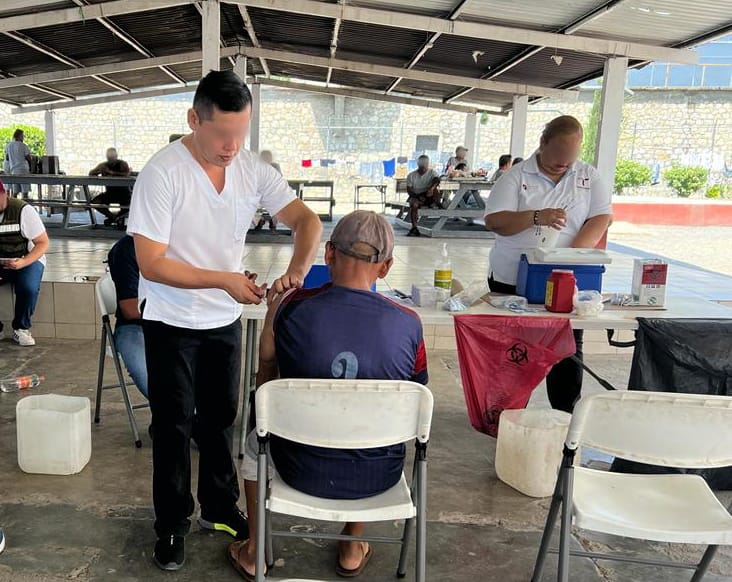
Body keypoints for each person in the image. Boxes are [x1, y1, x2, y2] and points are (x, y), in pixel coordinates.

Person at [127, 70, 322, 572]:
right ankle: (172, 522)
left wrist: (297, 270)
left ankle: (218, 506)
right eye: (221, 135)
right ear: (194, 119)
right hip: (170, 318)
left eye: (241, 133)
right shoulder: (163, 173)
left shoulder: (251, 169)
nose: (232, 147)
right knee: (173, 424)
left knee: (220, 419)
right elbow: (151, 263)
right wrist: (224, 280)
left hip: (222, 319)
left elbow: (307, 221)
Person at [228, 210, 429, 580]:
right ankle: (352, 545)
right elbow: (418, 402)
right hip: (377, 477)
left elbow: (265, 379)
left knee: (257, 437)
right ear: (386, 267)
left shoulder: (288, 307)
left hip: (298, 468)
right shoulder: (409, 324)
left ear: (329, 253)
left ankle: (255, 552)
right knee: (371, 429)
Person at [484, 115, 612, 413]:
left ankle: (565, 415)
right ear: (543, 144)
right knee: (518, 349)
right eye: (558, 154)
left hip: (566, 278)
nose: (563, 162)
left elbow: (601, 216)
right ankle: (509, 412)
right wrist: (536, 217)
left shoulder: (588, 177)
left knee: (567, 347)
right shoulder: (516, 176)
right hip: (514, 279)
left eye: (571, 155)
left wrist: (572, 256)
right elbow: (495, 221)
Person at [0, 178, 49, 347]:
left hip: (27, 258)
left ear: (5, 193)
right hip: (2, 260)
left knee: (28, 287)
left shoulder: (23, 210)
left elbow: (43, 243)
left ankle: (21, 327)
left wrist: (23, 263)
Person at [107, 235, 147, 398]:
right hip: (135, 326)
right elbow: (130, 309)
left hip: (182, 325)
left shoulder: (185, 245)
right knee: (149, 375)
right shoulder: (127, 248)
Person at [89, 148, 132, 226]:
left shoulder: (122, 164)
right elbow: (91, 173)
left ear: (116, 156)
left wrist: (111, 173)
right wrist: (98, 171)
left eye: (112, 157)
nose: (111, 159)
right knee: (95, 202)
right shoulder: (103, 165)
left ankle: (116, 218)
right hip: (110, 193)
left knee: (128, 207)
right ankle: (114, 217)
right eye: (109, 157)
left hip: (124, 193)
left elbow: (126, 175)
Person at [405, 155, 441, 237]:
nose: (424, 166)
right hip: (416, 196)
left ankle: (436, 203)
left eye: (425, 163)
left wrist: (431, 188)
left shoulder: (432, 173)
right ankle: (414, 227)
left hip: (429, 196)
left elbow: (437, 180)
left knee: (436, 191)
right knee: (414, 204)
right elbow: (409, 190)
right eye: (422, 163)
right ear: (418, 164)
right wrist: (418, 197)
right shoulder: (411, 175)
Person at [253, 150, 281, 231]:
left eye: (268, 157)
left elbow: (279, 178)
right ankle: (259, 221)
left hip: (272, 191)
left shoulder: (275, 166)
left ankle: (273, 222)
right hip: (259, 192)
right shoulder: (257, 166)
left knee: (276, 204)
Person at [5, 129, 32, 198]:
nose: (23, 137)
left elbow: (7, 158)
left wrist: (14, 158)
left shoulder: (9, 146)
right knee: (25, 192)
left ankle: (14, 204)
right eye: (23, 136)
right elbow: (29, 158)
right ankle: (24, 203)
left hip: (14, 171)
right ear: (19, 136)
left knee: (15, 192)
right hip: (23, 170)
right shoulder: (23, 146)